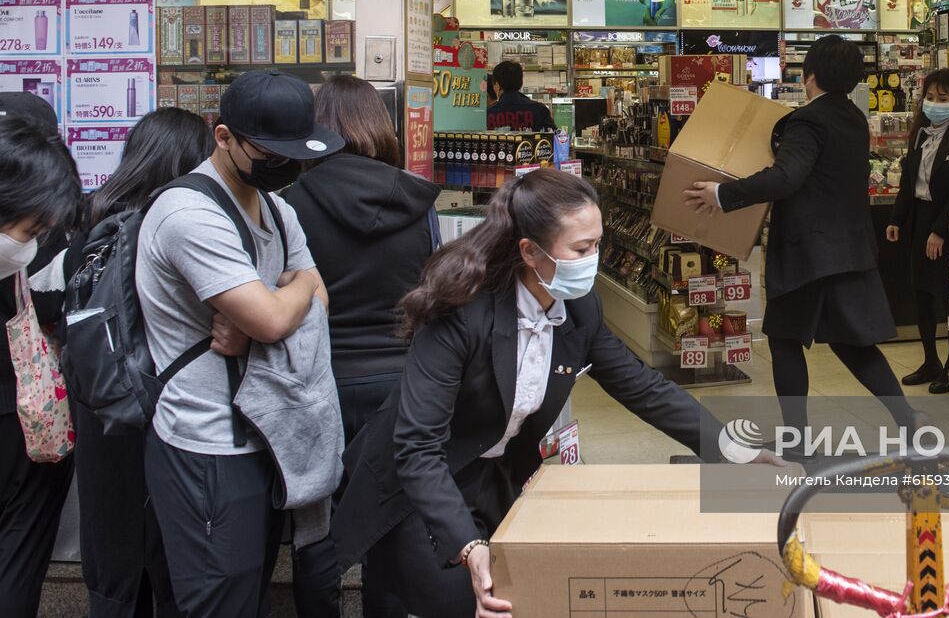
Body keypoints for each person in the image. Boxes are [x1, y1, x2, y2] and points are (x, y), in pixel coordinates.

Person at [332, 170, 760, 618]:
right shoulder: (463, 310)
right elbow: (418, 447)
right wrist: (467, 543)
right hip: (419, 488)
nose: (593, 259)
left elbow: (642, 386)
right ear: (530, 252)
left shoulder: (578, 307)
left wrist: (732, 447)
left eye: (597, 244)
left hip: (491, 473)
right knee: (447, 597)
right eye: (581, 249)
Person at [135, 69, 342, 617]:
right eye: (270, 152)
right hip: (208, 444)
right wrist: (281, 304)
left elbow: (317, 300)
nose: (284, 165)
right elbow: (276, 319)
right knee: (219, 596)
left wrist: (282, 302)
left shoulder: (277, 208)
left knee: (248, 593)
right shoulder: (189, 213)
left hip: (267, 435)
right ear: (222, 137)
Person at [685, 35, 916, 442]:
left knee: (785, 338)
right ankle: (908, 421)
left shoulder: (808, 119)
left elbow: (786, 177)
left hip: (808, 253)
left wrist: (722, 194)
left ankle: (797, 437)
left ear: (809, 76)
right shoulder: (854, 117)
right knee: (853, 343)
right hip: (850, 247)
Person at [283, 75, 439, 618]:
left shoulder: (288, 205)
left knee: (316, 524)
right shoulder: (418, 201)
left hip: (317, 383)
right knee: (392, 524)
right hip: (402, 383)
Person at [66, 107, 213, 618]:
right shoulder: (186, 229)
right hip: (171, 403)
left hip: (103, 410)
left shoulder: (88, 226)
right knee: (174, 551)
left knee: (113, 550)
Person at [0, 95, 82, 618]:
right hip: (19, 414)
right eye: (29, 231)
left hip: (17, 410)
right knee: (19, 552)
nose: (30, 246)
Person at [887, 69, 949, 392]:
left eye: (942, 99)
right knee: (921, 295)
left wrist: (940, 230)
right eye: (930, 98)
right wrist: (896, 220)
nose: (934, 104)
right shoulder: (920, 133)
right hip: (918, 219)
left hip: (945, 224)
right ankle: (929, 360)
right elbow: (908, 182)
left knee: (945, 296)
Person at [486, 60, 556, 131]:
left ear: (497, 86)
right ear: (521, 83)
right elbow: (554, 137)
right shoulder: (540, 110)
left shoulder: (488, 113)